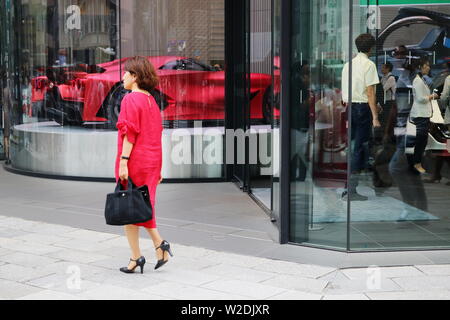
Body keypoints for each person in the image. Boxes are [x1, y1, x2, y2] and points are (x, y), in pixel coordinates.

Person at [115, 56, 173, 273]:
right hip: (151, 162)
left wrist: (123, 162)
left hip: (136, 162)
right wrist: (159, 168)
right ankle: (157, 247)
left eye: (126, 72)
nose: (122, 76)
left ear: (135, 76)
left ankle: (138, 256)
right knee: (141, 206)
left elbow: (129, 134)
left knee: (131, 209)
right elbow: (156, 136)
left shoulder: (131, 99)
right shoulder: (151, 101)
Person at [341, 33, 381, 201]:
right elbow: (370, 92)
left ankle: (347, 187)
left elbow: (344, 92)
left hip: (350, 107)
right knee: (358, 150)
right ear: (371, 48)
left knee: (353, 148)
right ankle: (351, 190)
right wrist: (375, 117)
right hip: (363, 108)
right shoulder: (369, 65)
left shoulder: (348, 65)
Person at [410, 57, 438, 174]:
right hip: (420, 114)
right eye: (426, 65)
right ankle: (416, 164)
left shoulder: (421, 80)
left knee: (422, 140)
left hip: (423, 114)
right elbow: (421, 98)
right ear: (420, 67)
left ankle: (417, 163)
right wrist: (432, 96)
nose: (428, 67)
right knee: (420, 141)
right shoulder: (417, 81)